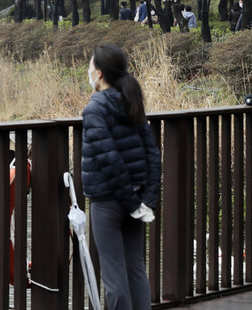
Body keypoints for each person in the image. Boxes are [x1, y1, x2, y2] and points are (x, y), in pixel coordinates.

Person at [81, 44, 162, 310]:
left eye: (91, 67)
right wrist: (144, 201)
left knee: (114, 276)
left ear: (100, 74)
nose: (88, 71)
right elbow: (153, 154)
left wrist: (132, 203)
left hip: (108, 201)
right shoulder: (130, 101)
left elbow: (109, 160)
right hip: (135, 198)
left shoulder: (95, 108)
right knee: (135, 269)